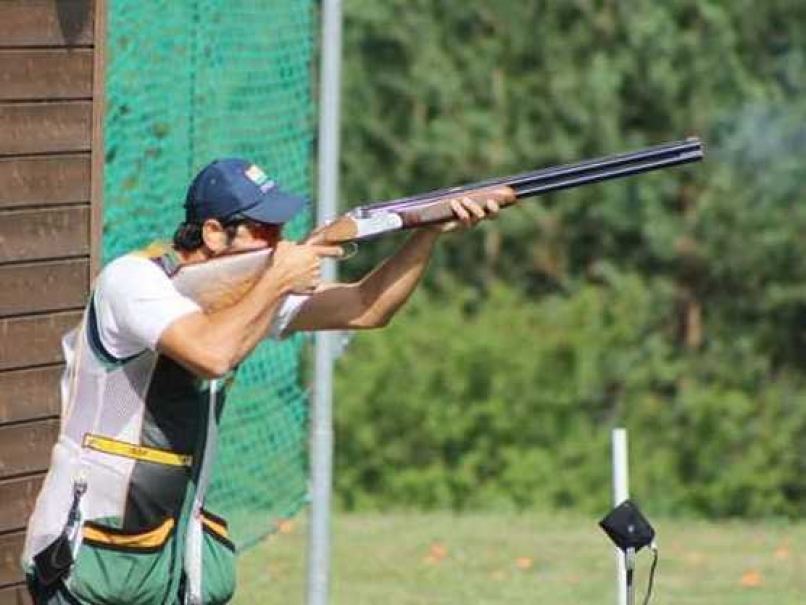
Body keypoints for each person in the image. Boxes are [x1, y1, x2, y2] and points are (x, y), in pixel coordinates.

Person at [21, 158, 501, 605]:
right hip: (91, 563)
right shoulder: (131, 280)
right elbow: (211, 354)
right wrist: (277, 280)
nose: (279, 241)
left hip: (167, 562)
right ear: (212, 232)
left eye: (282, 229)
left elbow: (366, 308)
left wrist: (426, 232)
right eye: (265, 229)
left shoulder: (241, 299)